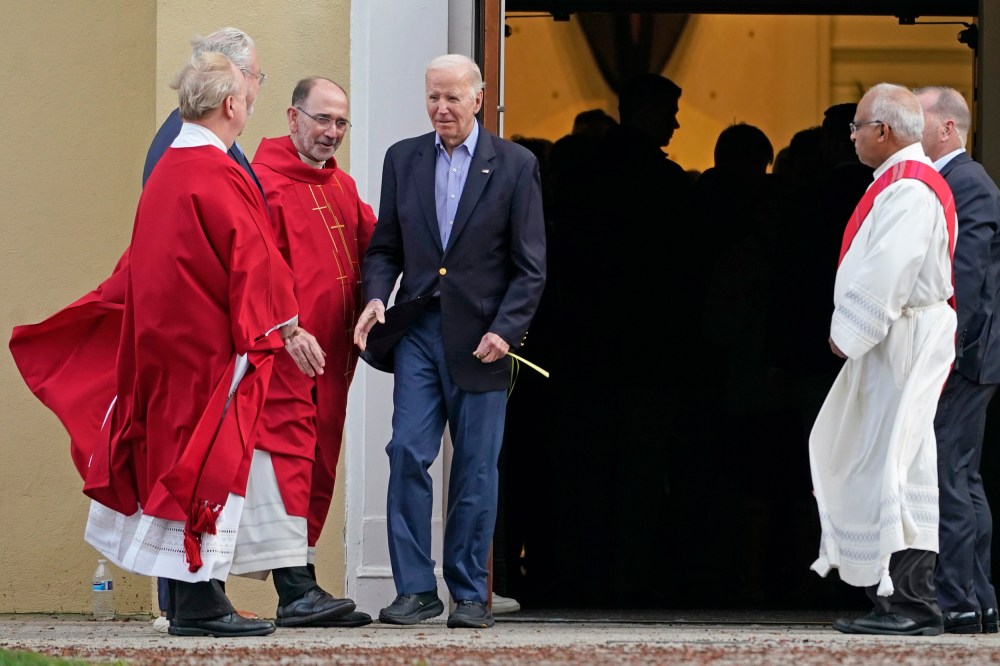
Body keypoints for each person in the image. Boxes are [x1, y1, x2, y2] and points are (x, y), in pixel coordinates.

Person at [83, 50, 327, 637]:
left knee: (181, 465)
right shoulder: (216, 173)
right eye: (247, 93)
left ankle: (196, 600)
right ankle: (197, 603)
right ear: (229, 105)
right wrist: (283, 328)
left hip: (169, 349)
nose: (250, 102)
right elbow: (254, 260)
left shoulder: (172, 166)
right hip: (211, 357)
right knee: (207, 468)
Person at [353, 53, 546, 629]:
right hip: (416, 330)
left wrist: (506, 330)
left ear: (479, 99)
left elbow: (530, 266)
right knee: (406, 452)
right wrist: (375, 294)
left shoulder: (514, 165)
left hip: (484, 338)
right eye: (433, 96)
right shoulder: (402, 158)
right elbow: (385, 247)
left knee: (476, 468)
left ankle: (467, 591)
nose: (441, 108)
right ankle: (415, 590)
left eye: (452, 98)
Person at [809, 83, 957, 636]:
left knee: (900, 465)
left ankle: (912, 606)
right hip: (896, 339)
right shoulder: (898, 185)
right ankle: (893, 600)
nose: (851, 136)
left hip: (905, 339)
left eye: (856, 126)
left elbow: (887, 270)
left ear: (884, 131)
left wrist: (847, 333)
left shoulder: (912, 191)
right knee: (886, 463)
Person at [249, 77, 376, 628]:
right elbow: (254, 267)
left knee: (316, 463)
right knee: (287, 465)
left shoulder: (342, 187)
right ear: (292, 117)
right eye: (321, 119)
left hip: (332, 363)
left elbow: (381, 247)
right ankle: (296, 589)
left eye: (340, 123)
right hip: (284, 357)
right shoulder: (261, 183)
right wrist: (285, 329)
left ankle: (300, 588)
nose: (331, 132)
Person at [915, 85, 1000, 635]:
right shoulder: (955, 181)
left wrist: (944, 353)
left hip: (962, 357)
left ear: (947, 127)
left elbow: (963, 278)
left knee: (947, 473)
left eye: (916, 117)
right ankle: (978, 599)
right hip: (970, 356)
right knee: (963, 478)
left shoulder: (964, 183)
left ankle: (957, 600)